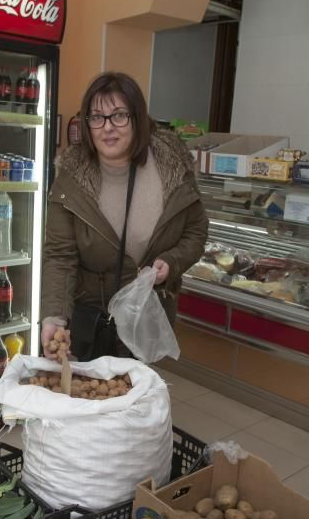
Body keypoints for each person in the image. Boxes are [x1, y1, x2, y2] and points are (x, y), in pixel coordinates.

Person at [40, 72, 208, 359]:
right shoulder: (71, 179)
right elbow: (60, 255)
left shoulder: (173, 168)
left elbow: (196, 231)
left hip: (145, 317)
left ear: (138, 119)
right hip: (91, 318)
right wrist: (54, 317)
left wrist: (171, 262)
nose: (107, 127)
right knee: (90, 399)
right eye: (96, 117)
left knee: (134, 397)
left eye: (119, 115)